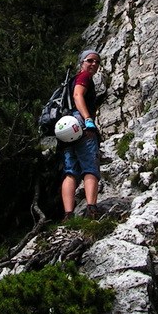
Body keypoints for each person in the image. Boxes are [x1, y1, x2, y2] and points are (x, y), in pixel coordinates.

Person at [60, 50, 102, 219]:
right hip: (80, 122)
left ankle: (68, 214)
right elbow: (78, 96)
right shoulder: (84, 77)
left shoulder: (70, 81)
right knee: (90, 166)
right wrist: (88, 120)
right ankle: (92, 209)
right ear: (82, 62)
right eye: (90, 60)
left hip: (66, 126)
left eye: (97, 62)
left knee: (71, 171)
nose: (94, 64)